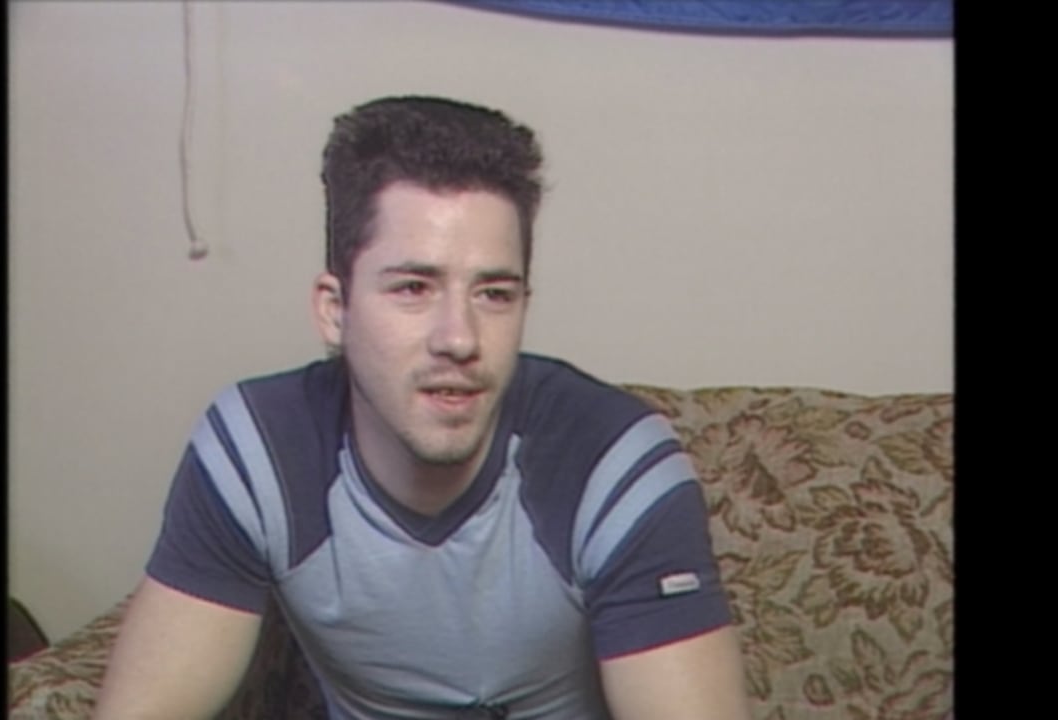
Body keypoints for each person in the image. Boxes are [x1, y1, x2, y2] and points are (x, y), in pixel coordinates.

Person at [94, 95, 751, 720]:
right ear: (335, 310)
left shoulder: (614, 466)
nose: (459, 339)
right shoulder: (257, 453)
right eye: (413, 288)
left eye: (494, 294)